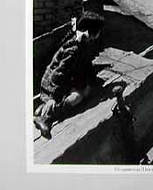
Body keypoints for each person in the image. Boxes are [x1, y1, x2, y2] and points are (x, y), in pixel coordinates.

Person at [34, 11, 105, 139]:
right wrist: (53, 98)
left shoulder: (83, 42)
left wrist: (93, 78)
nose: (99, 33)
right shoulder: (73, 50)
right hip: (52, 84)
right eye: (98, 30)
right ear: (91, 32)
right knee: (77, 97)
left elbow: (86, 64)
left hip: (64, 79)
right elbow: (58, 74)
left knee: (87, 89)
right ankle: (46, 118)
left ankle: (43, 108)